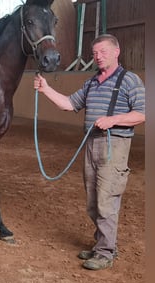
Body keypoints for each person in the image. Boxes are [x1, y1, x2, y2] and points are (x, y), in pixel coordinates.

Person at [33, 34, 145, 270]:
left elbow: (142, 114)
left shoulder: (129, 80)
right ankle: (102, 245)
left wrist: (113, 120)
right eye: (95, 53)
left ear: (117, 52)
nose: (98, 56)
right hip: (91, 144)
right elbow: (69, 103)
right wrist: (46, 89)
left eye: (103, 51)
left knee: (106, 200)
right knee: (93, 203)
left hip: (113, 146)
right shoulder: (92, 82)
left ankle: (106, 252)